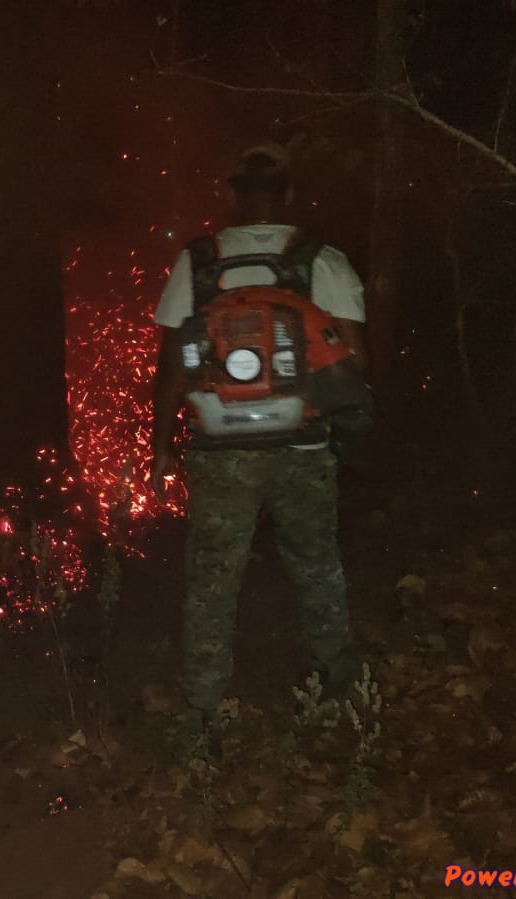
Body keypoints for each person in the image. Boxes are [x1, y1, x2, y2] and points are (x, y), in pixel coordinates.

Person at [149, 142, 368, 760]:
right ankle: (337, 689)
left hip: (221, 450)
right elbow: (355, 362)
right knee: (316, 565)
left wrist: (161, 450)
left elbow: (170, 368)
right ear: (289, 194)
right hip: (303, 444)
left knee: (213, 579)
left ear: (232, 194)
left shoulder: (198, 262)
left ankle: (203, 712)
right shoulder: (323, 261)